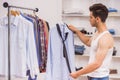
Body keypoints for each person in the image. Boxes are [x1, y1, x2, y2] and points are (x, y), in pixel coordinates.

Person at [68, 3, 114, 80]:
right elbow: (88, 41)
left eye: (91, 17)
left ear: (98, 19)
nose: (89, 19)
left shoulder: (105, 38)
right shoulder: (98, 33)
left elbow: (97, 64)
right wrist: (76, 30)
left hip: (100, 77)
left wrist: (77, 73)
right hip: (93, 76)